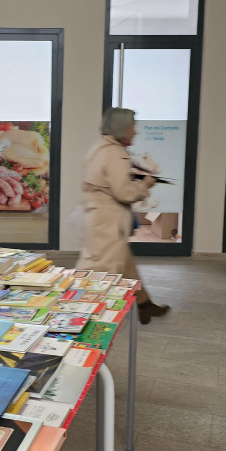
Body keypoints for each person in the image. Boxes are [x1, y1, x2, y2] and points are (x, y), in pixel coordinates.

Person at [77, 107, 170, 325]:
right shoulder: (114, 153)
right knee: (101, 271)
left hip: (98, 217)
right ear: (122, 129)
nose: (135, 132)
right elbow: (124, 193)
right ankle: (83, 318)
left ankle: (144, 304)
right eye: (133, 127)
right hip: (109, 220)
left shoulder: (98, 148)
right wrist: (145, 184)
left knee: (123, 263)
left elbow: (105, 182)